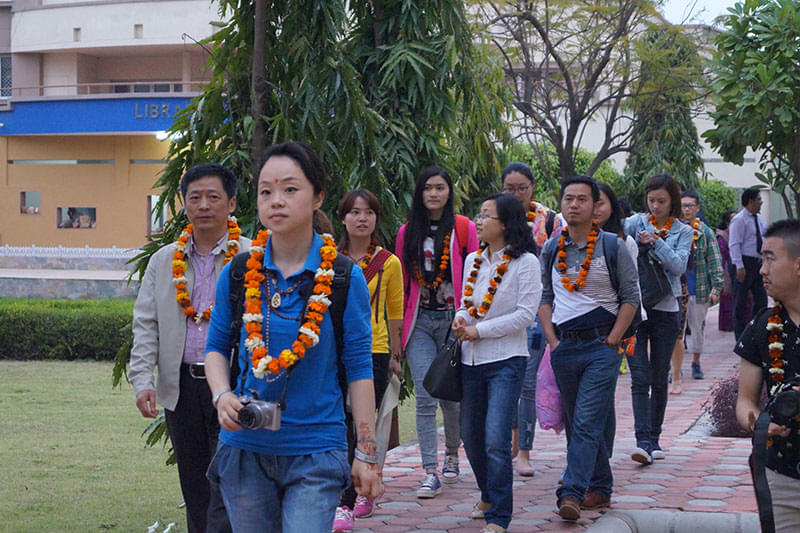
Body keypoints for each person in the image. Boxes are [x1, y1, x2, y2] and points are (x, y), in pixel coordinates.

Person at [204, 141, 382, 532]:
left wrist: (367, 451)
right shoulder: (237, 273)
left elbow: (359, 368)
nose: (276, 201)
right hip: (245, 451)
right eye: (265, 191)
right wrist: (222, 395)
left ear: (318, 197)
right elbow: (216, 348)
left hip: (316, 450)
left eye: (290, 189)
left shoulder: (341, 277)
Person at [129, 163, 248, 533]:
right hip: (181, 388)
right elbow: (146, 323)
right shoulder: (164, 261)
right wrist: (141, 379)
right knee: (195, 483)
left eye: (213, 197)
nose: (203, 205)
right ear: (183, 204)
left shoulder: (251, 258)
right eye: (194, 197)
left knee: (228, 478)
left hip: (234, 385)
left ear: (231, 203)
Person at [539, 176, 639, 521]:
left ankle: (571, 491)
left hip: (602, 346)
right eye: (568, 198)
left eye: (582, 199)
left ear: (595, 206)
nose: (574, 204)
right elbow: (544, 298)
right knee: (579, 420)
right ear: (561, 203)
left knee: (584, 420)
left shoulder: (613, 246)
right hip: (565, 347)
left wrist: (613, 340)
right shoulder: (552, 248)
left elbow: (631, 298)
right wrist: (552, 341)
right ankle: (601, 486)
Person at [452, 193, 541, 533]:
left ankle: (499, 516)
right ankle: (488, 493)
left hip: (506, 360)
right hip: (471, 361)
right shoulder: (474, 259)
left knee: (495, 439)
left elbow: (525, 314)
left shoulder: (526, 263)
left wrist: (480, 331)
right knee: (471, 436)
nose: (478, 220)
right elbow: (465, 302)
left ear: (505, 224)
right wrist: (461, 320)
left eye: (486, 215)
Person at [395, 165, 479, 498]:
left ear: (449, 192)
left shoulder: (463, 228)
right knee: (426, 397)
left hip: (454, 321)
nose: (433, 193)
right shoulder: (406, 232)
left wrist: (470, 318)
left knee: (451, 399)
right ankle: (430, 470)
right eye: (427, 187)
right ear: (420, 193)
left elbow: (475, 275)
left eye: (440, 187)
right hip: (420, 322)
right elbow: (402, 281)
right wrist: (399, 331)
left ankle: (453, 455)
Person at [333, 189, 404, 531]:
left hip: (372, 352)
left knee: (361, 424)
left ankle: (353, 496)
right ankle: (350, 489)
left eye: (369, 212)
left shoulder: (389, 262)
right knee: (340, 423)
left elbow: (395, 313)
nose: (362, 218)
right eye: (354, 212)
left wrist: (395, 354)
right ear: (343, 218)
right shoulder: (328, 258)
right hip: (333, 350)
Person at [736, 218, 800, 531]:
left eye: (770, 259)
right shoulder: (761, 326)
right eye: (761, 259)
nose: (762, 270)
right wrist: (759, 422)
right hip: (781, 474)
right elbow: (745, 400)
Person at [624, 174, 692, 465]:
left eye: (661, 201)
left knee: (658, 375)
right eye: (651, 200)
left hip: (666, 309)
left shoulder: (683, 231)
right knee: (639, 376)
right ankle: (642, 440)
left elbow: (678, 267)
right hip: (635, 309)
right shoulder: (633, 223)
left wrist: (656, 243)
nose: (655, 206)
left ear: (672, 201)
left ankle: (654, 437)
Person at [500, 161, 558, 476]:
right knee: (504, 379)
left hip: (536, 312)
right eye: (511, 188)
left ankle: (524, 451)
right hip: (501, 311)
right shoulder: (494, 219)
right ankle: (510, 440)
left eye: (522, 187)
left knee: (527, 383)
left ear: (532, 187)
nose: (517, 193)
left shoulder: (550, 221)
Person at [670, 190, 723, 392]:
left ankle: (696, 362)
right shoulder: (672, 230)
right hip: (677, 290)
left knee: (697, 328)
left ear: (697, 208)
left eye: (690, 205)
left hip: (699, 288)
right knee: (676, 332)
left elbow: (715, 261)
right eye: (683, 205)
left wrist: (716, 287)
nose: (686, 209)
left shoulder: (705, 233)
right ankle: (675, 369)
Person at [730, 187, 768, 340]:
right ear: (750, 201)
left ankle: (756, 331)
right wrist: (739, 266)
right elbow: (734, 244)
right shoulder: (739, 220)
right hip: (744, 262)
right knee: (740, 301)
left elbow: (764, 239)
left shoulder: (760, 219)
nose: (761, 202)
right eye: (759, 199)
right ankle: (740, 337)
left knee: (761, 300)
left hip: (758, 262)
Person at [717, 210, 736, 332]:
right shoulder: (722, 236)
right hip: (726, 269)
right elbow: (723, 252)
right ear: (727, 222)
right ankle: (727, 325)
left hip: (740, 267)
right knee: (727, 297)